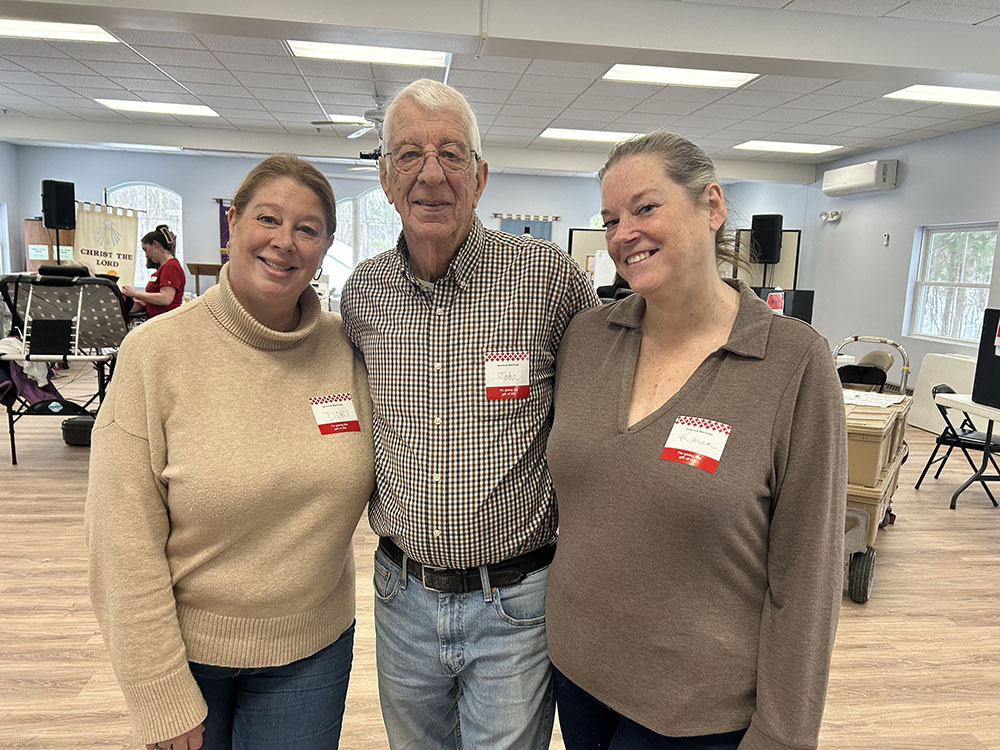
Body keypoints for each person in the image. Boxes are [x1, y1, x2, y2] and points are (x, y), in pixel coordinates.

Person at [545, 131, 847, 750]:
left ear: (712, 206)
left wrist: (784, 732)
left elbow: (808, 571)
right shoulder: (588, 338)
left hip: (696, 708)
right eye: (610, 219)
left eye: (645, 208)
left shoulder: (793, 362)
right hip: (577, 676)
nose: (624, 232)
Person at [340, 78, 599, 750]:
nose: (431, 174)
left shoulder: (552, 282)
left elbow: (603, 419)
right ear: (385, 178)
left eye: (452, 154)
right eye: (409, 155)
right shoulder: (362, 295)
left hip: (515, 605)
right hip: (402, 598)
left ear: (480, 178)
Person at [86, 155, 374, 750]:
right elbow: (121, 539)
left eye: (308, 229)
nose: (284, 243)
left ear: (325, 248)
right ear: (233, 224)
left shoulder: (347, 347)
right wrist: (156, 686)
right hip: (189, 655)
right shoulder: (155, 353)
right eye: (268, 219)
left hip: (313, 651)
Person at [122, 224, 186, 317]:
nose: (146, 255)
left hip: (165, 321)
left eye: (146, 249)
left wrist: (135, 293)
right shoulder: (163, 269)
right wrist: (144, 301)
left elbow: (166, 299)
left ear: (155, 244)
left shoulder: (171, 266)